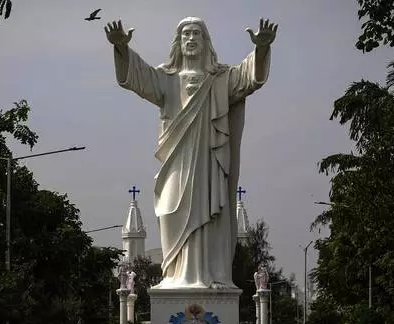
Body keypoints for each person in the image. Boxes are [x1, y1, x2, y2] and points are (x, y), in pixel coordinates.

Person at [104, 16, 277, 289]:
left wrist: (262, 48)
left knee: (210, 215)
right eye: (185, 34)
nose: (191, 38)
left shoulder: (220, 79)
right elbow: (137, 77)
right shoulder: (166, 78)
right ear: (178, 42)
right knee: (171, 211)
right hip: (176, 162)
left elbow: (248, 78)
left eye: (197, 33)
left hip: (209, 165)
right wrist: (122, 49)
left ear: (206, 41)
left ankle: (210, 275)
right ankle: (176, 276)